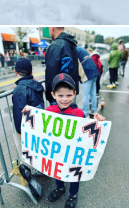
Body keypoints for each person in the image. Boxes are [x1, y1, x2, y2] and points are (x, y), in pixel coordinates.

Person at [45, 73, 105, 208]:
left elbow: (87, 131)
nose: (65, 99)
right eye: (60, 95)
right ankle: (60, 188)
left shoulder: (78, 113)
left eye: (68, 95)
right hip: (57, 151)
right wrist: (28, 113)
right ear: (53, 95)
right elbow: (39, 127)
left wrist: (97, 122)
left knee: (74, 173)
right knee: (57, 170)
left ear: (74, 93)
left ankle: (73, 194)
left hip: (73, 153)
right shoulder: (48, 111)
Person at [44, 28, 79, 104]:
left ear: (52, 28)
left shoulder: (55, 46)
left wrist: (50, 96)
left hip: (58, 96)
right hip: (69, 93)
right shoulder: (71, 44)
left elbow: (51, 74)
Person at [12, 58, 44, 134]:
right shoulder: (37, 84)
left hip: (28, 129)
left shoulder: (19, 90)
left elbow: (19, 113)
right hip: (39, 124)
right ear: (31, 72)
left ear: (15, 72)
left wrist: (19, 131)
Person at [75, 46, 99, 117]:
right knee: (93, 94)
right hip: (94, 73)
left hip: (87, 75)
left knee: (85, 96)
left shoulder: (74, 51)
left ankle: (85, 112)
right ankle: (94, 110)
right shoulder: (82, 49)